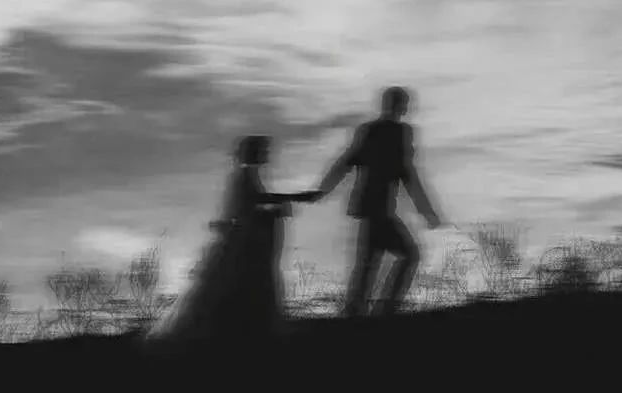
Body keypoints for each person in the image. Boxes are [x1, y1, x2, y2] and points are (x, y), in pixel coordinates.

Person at [147, 135, 317, 342]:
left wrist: (278, 206)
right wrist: (294, 198)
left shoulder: (246, 175)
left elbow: (251, 204)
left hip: (244, 238)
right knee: (243, 281)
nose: (267, 154)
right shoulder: (243, 177)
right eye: (263, 151)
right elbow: (251, 204)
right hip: (243, 242)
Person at [312, 86, 449, 317]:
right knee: (407, 255)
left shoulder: (369, 130)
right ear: (400, 106)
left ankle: (358, 311)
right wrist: (427, 212)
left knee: (368, 263)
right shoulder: (399, 132)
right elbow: (408, 175)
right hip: (380, 209)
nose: (406, 108)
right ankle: (384, 309)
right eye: (404, 104)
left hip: (369, 207)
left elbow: (346, 162)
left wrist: (323, 190)